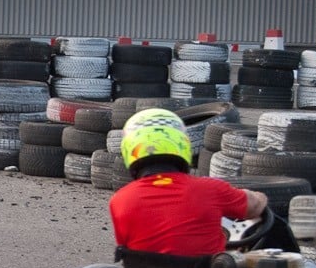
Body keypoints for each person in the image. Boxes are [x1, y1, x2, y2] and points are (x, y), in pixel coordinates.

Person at [109, 108, 268, 257]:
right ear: (182, 143)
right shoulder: (210, 189)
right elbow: (255, 207)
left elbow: (126, 247)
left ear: (129, 149)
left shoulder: (120, 200)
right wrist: (260, 196)